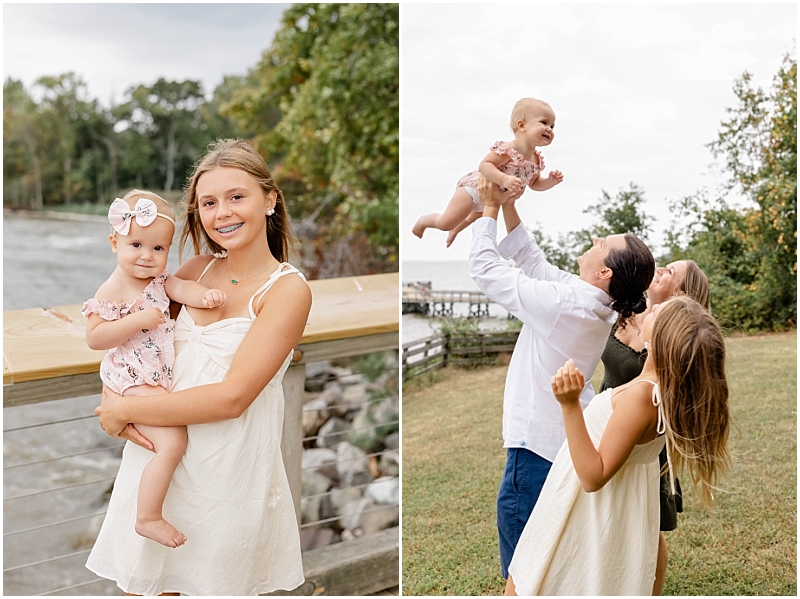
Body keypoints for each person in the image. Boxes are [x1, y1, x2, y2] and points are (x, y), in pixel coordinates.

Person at [86, 139, 312, 596]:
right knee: (144, 588)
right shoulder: (193, 271)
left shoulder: (287, 290)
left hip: (228, 474)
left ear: (269, 200)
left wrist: (123, 413)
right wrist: (113, 399)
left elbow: (232, 399)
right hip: (159, 464)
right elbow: (134, 346)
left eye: (236, 197)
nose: (222, 212)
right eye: (209, 202)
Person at [468, 175, 655, 580]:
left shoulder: (567, 304)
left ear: (604, 271)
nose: (594, 241)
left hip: (534, 446)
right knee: (548, 561)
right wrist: (510, 202)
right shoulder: (598, 304)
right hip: (561, 443)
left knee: (524, 570)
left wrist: (488, 207)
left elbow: (484, 270)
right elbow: (534, 263)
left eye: (601, 243)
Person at [506, 295, 730, 595]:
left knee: (530, 581)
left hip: (584, 507)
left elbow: (593, 476)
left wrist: (570, 404)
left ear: (660, 337)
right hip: (607, 505)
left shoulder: (642, 396)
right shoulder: (660, 390)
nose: (648, 310)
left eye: (655, 311)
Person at [82, 192, 226, 549]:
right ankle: (147, 517)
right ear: (114, 243)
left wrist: (204, 295)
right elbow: (96, 338)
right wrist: (138, 319)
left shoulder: (160, 282)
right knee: (173, 441)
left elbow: (183, 288)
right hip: (131, 379)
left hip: (151, 377)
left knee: (171, 441)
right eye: (136, 245)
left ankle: (153, 511)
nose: (147, 256)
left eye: (158, 249)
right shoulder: (112, 289)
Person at [599, 258, 710, 595]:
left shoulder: (676, 342)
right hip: (609, 421)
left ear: (682, 293)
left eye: (670, 273)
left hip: (645, 438)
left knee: (650, 527)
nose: (660, 270)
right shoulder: (632, 310)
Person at [412, 97, 564, 248]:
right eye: (544, 122)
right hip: (474, 189)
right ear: (522, 125)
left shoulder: (536, 160)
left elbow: (534, 183)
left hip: (492, 197)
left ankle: (455, 230)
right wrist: (504, 179)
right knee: (445, 223)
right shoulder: (509, 150)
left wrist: (550, 181)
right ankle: (423, 221)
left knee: (472, 217)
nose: (549, 129)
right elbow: (485, 165)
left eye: (552, 126)